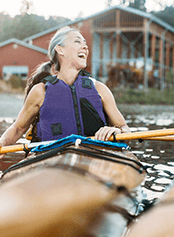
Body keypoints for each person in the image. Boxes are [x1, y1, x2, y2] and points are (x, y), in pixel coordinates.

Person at [0, 26, 130, 150]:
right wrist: (2, 142)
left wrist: (117, 130)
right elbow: (18, 128)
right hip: (51, 158)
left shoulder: (100, 89)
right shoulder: (40, 91)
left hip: (96, 156)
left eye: (85, 43)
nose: (85, 47)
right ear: (60, 49)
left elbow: (125, 129)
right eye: (77, 42)